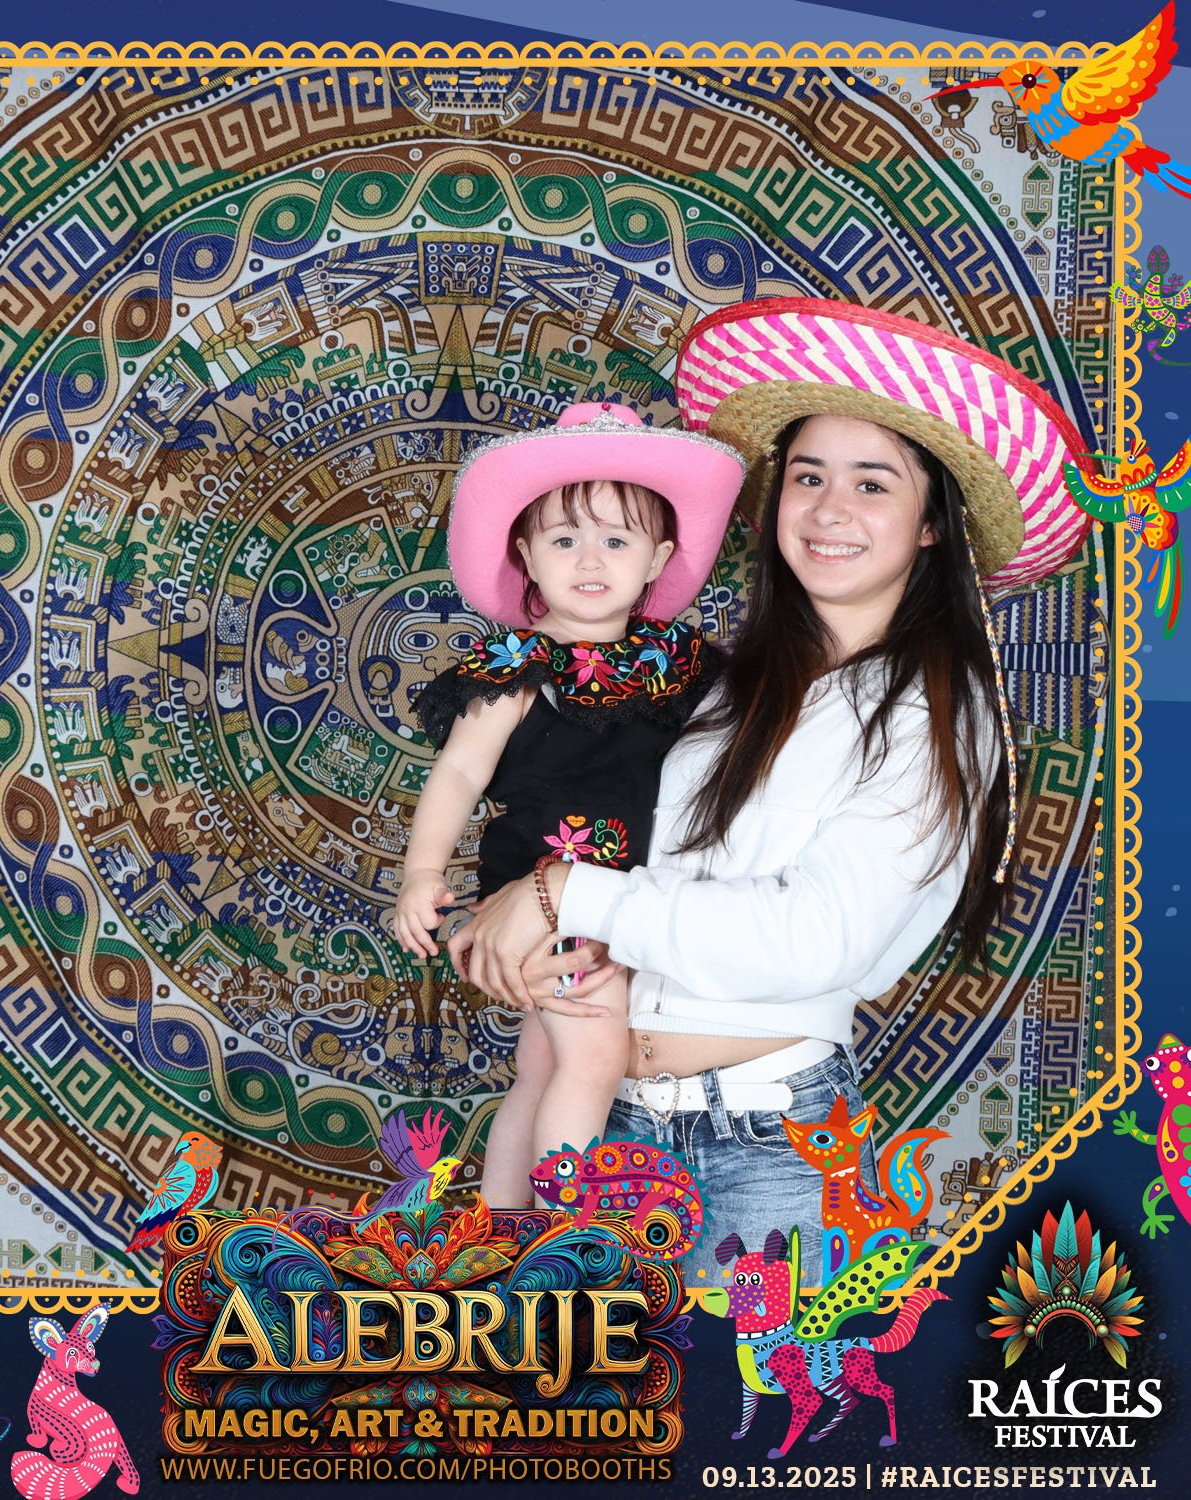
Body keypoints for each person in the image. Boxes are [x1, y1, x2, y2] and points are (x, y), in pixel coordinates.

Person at [449, 300, 1091, 1275]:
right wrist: (532, 938)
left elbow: (816, 938)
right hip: (612, 1127)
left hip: (771, 1153)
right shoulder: (720, 685)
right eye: (808, 476)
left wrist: (565, 893)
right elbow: (632, 858)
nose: (829, 511)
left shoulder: (931, 713)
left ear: (931, 525)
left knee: (769, 1372)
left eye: (872, 484)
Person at [396, 401, 744, 1207]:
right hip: (548, 894)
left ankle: (499, 1227)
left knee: (543, 1065)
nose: (590, 559)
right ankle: (564, 1234)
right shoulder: (517, 667)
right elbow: (458, 774)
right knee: (595, 1060)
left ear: (658, 559)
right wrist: (421, 873)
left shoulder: (680, 666)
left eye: (616, 541)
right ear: (525, 553)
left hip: (626, 895)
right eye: (563, 540)